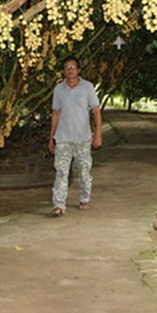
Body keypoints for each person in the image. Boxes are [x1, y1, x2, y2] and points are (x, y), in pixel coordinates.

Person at [48, 56, 102, 217]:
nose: (70, 70)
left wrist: (98, 133)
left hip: (83, 138)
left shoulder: (87, 87)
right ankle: (58, 205)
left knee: (84, 171)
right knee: (61, 171)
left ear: (78, 70)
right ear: (64, 71)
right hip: (63, 138)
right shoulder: (59, 90)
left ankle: (84, 198)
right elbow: (55, 114)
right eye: (67, 68)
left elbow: (96, 110)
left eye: (73, 67)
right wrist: (51, 138)